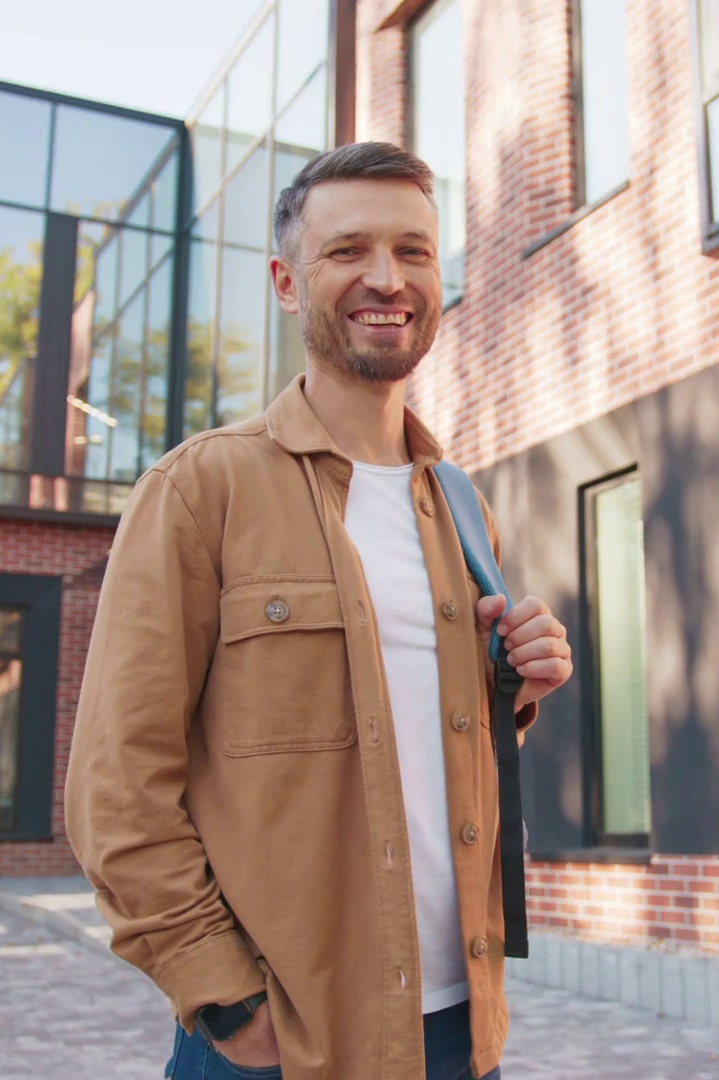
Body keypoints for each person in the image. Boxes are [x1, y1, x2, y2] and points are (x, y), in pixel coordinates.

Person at [65, 141, 574, 1080]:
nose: (388, 278)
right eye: (348, 250)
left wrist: (513, 687)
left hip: (463, 1034)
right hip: (285, 1045)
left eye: (414, 251)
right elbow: (116, 788)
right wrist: (227, 1004)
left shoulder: (460, 502)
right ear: (287, 283)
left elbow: (413, 745)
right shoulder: (200, 490)